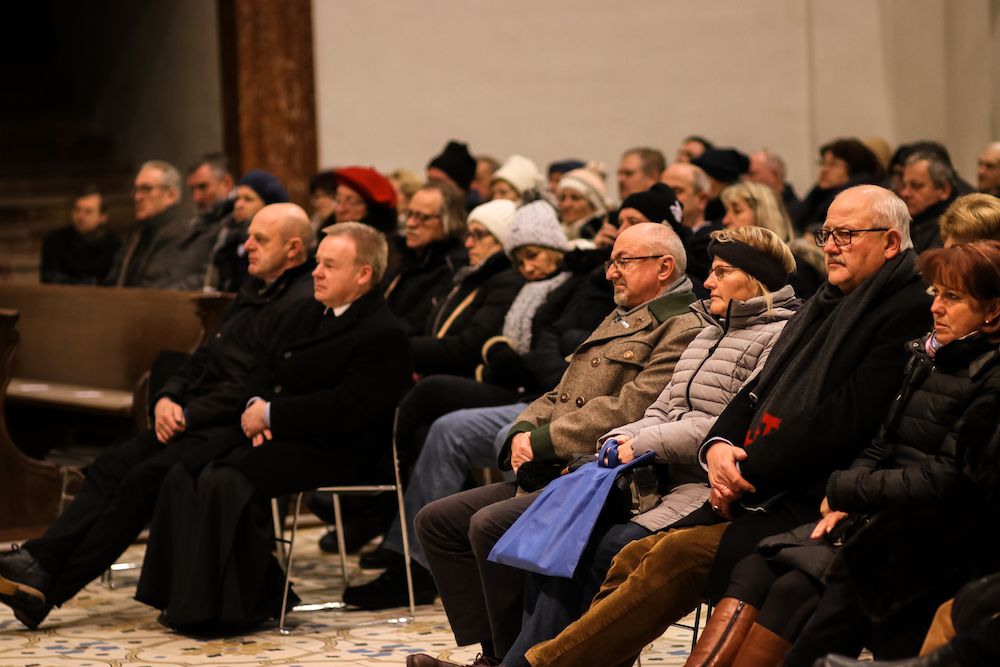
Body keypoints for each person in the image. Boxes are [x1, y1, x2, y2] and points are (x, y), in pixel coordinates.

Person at [514, 186, 931, 667]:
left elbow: (843, 420)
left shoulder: (902, 309)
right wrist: (718, 444)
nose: (830, 245)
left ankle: (535, 665)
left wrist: (742, 469)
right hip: (735, 474)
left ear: (891, 242)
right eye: (827, 233)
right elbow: (753, 395)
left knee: (653, 552)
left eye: (846, 234)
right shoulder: (827, 302)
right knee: (593, 541)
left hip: (796, 492)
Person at [495, 226, 800, 667]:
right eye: (710, 271)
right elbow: (663, 405)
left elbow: (726, 426)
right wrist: (622, 437)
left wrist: (641, 439)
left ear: (755, 280)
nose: (708, 281)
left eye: (721, 272)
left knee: (602, 547)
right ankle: (515, 660)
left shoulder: (778, 336)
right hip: (655, 477)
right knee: (563, 534)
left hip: (704, 485)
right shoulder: (709, 332)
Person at [685, 240, 1000, 667]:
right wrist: (848, 497)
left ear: (993, 311)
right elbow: (879, 443)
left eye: (953, 298)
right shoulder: (929, 357)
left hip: (934, 532)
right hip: (875, 513)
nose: (936, 308)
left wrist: (845, 490)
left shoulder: (989, 376)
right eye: (936, 294)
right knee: (755, 569)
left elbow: (945, 476)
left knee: (797, 589)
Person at [0, 203, 315, 629]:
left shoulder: (298, 303)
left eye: (260, 239)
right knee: (109, 466)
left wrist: (186, 411)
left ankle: (45, 581)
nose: (247, 246)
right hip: (193, 415)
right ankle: (40, 563)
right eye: (250, 236)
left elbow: (255, 386)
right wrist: (167, 396)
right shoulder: (253, 289)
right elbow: (203, 357)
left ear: (294, 248)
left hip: (230, 427)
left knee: (138, 482)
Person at [410, 222, 706, 664]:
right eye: (611, 261)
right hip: (560, 470)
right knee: (438, 521)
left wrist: (545, 441)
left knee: (488, 524)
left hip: (611, 477)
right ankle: (495, 652)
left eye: (623, 261)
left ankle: (512, 660)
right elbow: (559, 391)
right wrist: (521, 431)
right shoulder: (626, 312)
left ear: (664, 267)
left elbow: (632, 406)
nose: (611, 273)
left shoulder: (682, 325)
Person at [133, 222, 413, 635]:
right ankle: (186, 598)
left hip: (341, 448)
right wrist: (254, 406)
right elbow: (263, 365)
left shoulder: (384, 332)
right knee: (188, 468)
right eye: (317, 263)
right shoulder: (309, 311)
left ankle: (237, 606)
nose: (316, 272)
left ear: (363, 274)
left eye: (329, 266)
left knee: (226, 478)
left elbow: (347, 407)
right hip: (290, 432)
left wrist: (272, 415)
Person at [410, 198, 524, 377]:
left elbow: (470, 346)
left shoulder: (506, 282)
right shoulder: (469, 276)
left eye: (479, 235)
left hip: (461, 375)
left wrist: (405, 349)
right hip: (435, 369)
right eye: (469, 235)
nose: (468, 244)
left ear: (503, 241)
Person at [380, 179, 468, 335]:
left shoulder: (454, 267)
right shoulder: (411, 256)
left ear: (449, 220)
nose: (411, 223)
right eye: (409, 214)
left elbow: (418, 324)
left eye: (422, 217)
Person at [721, 181, 826, 298]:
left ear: (762, 215)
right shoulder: (734, 262)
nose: (726, 220)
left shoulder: (793, 268)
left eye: (737, 211)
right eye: (726, 211)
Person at [105, 160, 188, 288]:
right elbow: (113, 278)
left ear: (171, 195)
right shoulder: (137, 229)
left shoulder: (175, 234)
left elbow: (151, 286)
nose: (137, 197)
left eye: (146, 189)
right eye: (136, 190)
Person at [164, 152, 237, 290]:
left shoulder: (234, 224)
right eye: (193, 190)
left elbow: (211, 277)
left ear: (227, 183)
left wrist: (167, 293)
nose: (196, 198)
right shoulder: (200, 222)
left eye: (203, 187)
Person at [208, 169, 289, 291]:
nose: (238, 205)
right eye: (237, 198)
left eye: (248, 199)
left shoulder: (279, 241)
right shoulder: (225, 234)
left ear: (268, 205)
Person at [791, 139, 883, 234]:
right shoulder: (818, 195)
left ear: (854, 170)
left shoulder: (858, 204)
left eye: (833, 164)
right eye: (823, 163)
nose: (824, 169)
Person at [40, 186, 120, 284]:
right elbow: (49, 279)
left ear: (103, 217)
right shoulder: (55, 241)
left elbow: (111, 284)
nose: (80, 216)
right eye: (77, 210)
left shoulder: (115, 247)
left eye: (88, 211)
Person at [662, 162, 715, 283]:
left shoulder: (714, 242)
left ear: (702, 200)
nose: (668, 198)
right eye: (664, 191)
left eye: (677, 191)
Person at [899, 151, 956, 253]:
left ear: (944, 190)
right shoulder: (910, 220)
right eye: (904, 185)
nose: (905, 193)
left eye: (916, 185)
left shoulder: (951, 230)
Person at [691, 148, 751, 222]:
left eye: (703, 178)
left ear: (724, 183)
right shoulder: (701, 210)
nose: (698, 183)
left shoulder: (728, 218)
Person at [557, 166, 609, 240]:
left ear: (594, 205)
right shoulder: (553, 236)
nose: (566, 204)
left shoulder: (602, 240)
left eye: (575, 198)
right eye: (562, 198)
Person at [428, 140, 480, 211]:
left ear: (460, 187)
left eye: (439, 182)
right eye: (429, 180)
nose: (430, 186)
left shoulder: (474, 216)